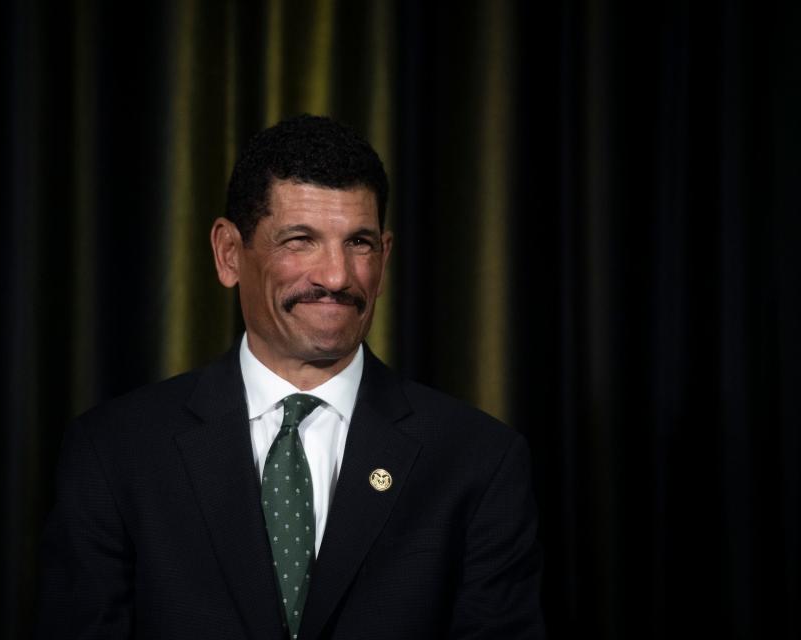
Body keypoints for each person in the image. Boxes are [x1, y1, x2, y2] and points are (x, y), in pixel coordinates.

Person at [36, 114, 544, 639]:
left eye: (359, 243)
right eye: (301, 240)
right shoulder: (116, 452)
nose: (336, 276)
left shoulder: (479, 461)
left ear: (385, 256)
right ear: (229, 253)